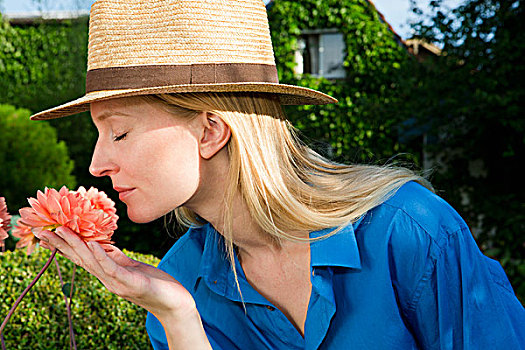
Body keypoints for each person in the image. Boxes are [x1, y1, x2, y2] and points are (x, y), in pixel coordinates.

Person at [31, 0, 524, 349]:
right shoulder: (176, 287)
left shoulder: (410, 232)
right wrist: (179, 319)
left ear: (210, 131)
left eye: (118, 133)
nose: (96, 164)